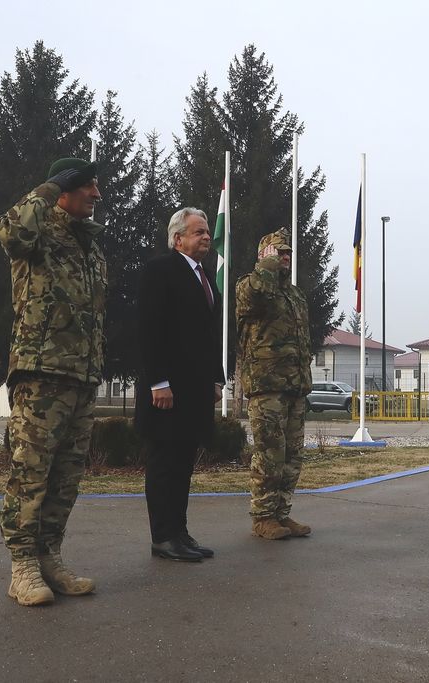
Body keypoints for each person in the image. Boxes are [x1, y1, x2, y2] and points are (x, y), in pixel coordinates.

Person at [0, 158, 107, 606]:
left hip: (82, 375)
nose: (96, 195)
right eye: (87, 188)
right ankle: (22, 567)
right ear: (63, 191)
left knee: (66, 477)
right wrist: (48, 186)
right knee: (31, 474)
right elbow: (9, 231)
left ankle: (49, 557)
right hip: (41, 374)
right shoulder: (36, 232)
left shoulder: (90, 246)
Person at [135, 208, 225, 561]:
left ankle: (180, 532)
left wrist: (217, 378)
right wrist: (158, 382)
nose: (206, 237)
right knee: (164, 463)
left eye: (206, 232)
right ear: (178, 239)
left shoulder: (205, 278)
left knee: (184, 463)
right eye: (199, 232)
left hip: (195, 391)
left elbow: (208, 336)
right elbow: (149, 330)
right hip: (166, 391)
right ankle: (162, 537)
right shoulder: (160, 271)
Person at [235, 228, 313, 540]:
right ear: (263, 256)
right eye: (278, 252)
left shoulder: (294, 296)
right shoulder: (251, 286)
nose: (285, 257)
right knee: (269, 454)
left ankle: (282, 513)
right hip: (266, 386)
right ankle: (263, 517)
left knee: (292, 456)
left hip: (294, 385)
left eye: (288, 253)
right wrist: (264, 270)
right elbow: (251, 299)